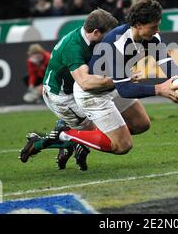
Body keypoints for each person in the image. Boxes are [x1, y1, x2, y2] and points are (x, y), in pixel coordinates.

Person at [54, 0, 178, 156]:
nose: (158, 30)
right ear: (138, 25)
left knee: (141, 124)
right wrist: (160, 89)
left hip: (114, 85)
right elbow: (125, 89)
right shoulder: (116, 43)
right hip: (93, 94)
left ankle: (94, 137)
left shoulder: (151, 38)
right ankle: (66, 135)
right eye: (153, 26)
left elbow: (170, 67)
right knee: (122, 146)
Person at [19, 9, 119, 170]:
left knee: (102, 127)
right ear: (95, 32)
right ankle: (38, 143)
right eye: (108, 35)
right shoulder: (73, 47)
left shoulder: (86, 37)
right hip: (62, 97)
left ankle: (70, 140)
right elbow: (85, 82)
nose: (111, 39)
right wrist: (120, 80)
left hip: (74, 89)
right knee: (98, 134)